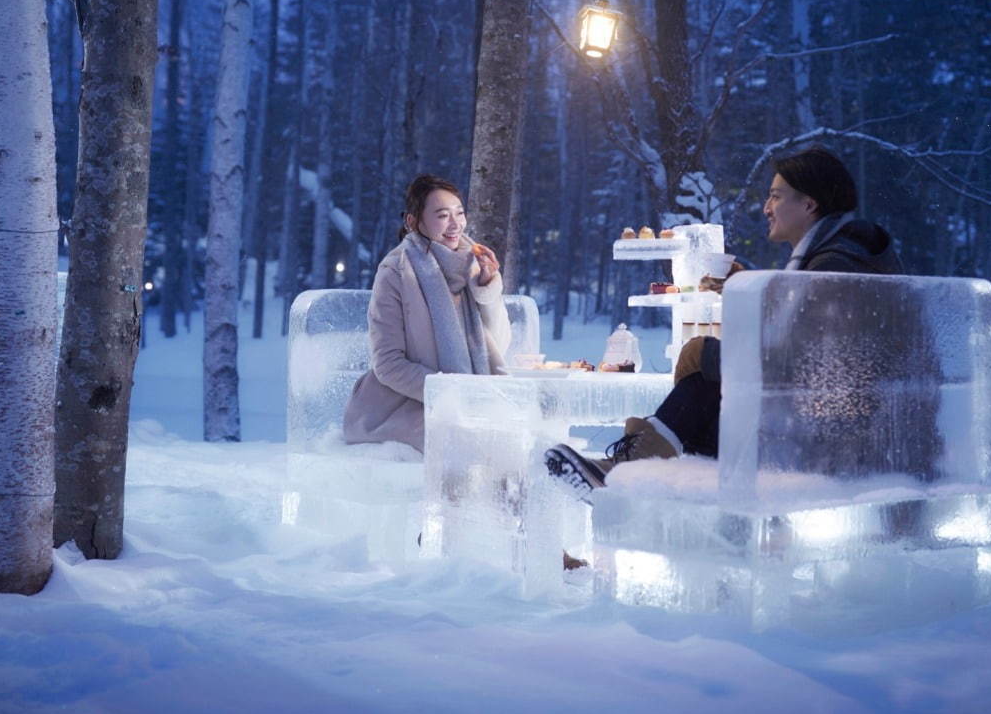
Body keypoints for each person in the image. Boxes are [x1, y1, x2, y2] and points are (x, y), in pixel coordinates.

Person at [544, 146, 902, 499]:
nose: (766, 208)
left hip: (840, 443)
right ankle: (634, 471)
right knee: (707, 388)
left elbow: (793, 366)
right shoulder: (842, 256)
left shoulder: (834, 266)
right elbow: (806, 347)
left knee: (704, 377)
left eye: (776, 197)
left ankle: (627, 473)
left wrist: (706, 355)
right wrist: (744, 290)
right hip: (839, 427)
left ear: (809, 204)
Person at [343, 175, 510, 452]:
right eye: (443, 215)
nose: (456, 224)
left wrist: (487, 288)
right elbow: (388, 364)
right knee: (466, 443)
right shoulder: (396, 272)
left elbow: (499, 346)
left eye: (459, 213)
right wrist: (451, 394)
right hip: (401, 408)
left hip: (469, 401)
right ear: (413, 222)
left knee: (513, 436)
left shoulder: (472, 265)